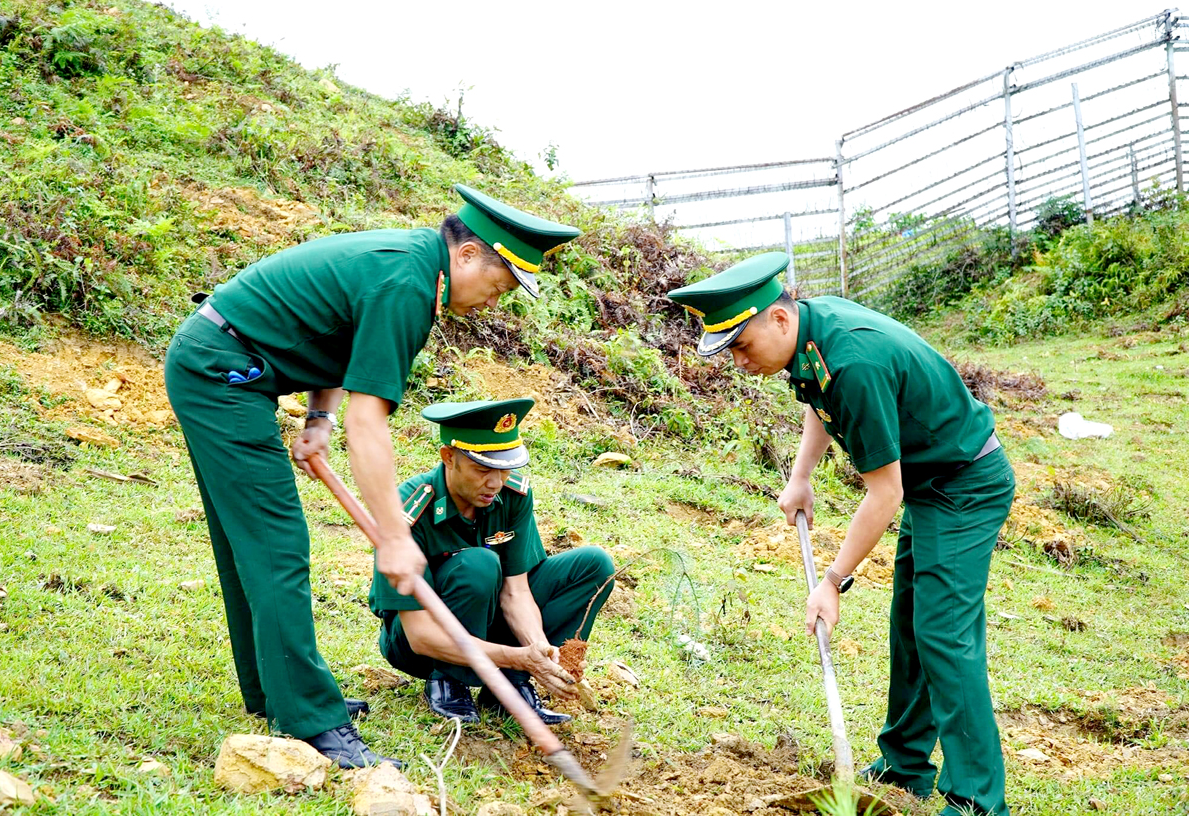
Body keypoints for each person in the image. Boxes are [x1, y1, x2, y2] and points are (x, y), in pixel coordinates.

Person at [164, 186, 582, 767]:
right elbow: (370, 422)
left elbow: (338, 346)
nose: (495, 302)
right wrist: (394, 534)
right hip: (223, 373)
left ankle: (275, 696)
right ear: (466, 257)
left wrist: (317, 416)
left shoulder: (413, 268)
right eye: (500, 285)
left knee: (250, 546)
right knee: (276, 545)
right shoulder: (408, 285)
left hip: (229, 362)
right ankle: (311, 718)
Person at [667, 252, 1016, 816]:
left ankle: (977, 797)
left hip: (965, 483)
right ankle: (904, 763)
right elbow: (820, 402)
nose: (738, 360)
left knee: (944, 634)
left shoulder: (852, 359)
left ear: (778, 320)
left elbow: (884, 494)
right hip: (932, 482)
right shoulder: (811, 336)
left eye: (740, 345)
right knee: (912, 625)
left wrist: (832, 580)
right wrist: (800, 476)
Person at [370, 398, 615, 726]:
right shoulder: (408, 508)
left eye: (504, 469)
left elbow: (516, 592)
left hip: (488, 628)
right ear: (448, 458)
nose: (495, 483)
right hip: (421, 645)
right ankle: (447, 682)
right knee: (478, 565)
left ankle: (508, 688)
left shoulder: (512, 496)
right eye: (483, 469)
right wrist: (517, 658)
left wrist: (539, 652)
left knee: (594, 565)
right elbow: (419, 635)